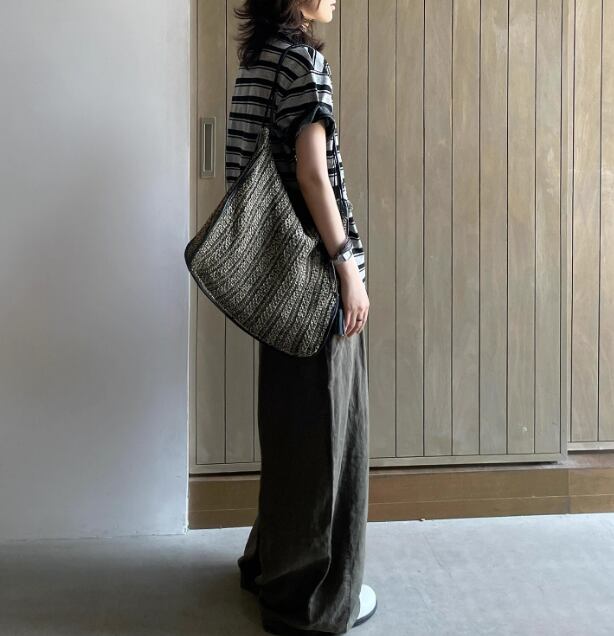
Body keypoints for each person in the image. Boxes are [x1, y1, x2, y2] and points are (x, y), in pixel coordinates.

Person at [226, 1, 376, 633]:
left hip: (274, 280)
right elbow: (314, 175)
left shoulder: (257, 62)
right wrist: (346, 267)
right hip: (314, 278)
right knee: (327, 436)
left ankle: (272, 564)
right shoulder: (302, 63)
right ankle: (313, 599)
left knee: (289, 431)